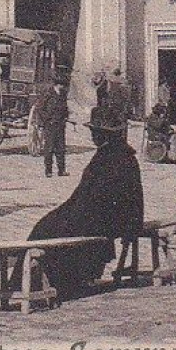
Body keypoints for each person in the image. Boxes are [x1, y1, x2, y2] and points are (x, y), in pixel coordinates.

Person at [26, 111, 144, 295]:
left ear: (104, 134)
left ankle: (59, 281)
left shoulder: (110, 158)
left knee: (49, 230)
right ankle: (65, 278)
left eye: (95, 132)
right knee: (50, 224)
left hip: (107, 220)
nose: (92, 135)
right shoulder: (120, 154)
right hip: (112, 217)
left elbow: (96, 198)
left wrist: (72, 210)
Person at [31, 72, 71, 177]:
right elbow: (39, 108)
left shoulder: (62, 95)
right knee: (49, 148)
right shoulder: (48, 93)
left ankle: (61, 170)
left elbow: (65, 108)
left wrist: (66, 117)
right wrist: (47, 119)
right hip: (50, 124)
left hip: (60, 125)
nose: (63, 87)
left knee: (61, 148)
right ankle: (48, 171)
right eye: (62, 85)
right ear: (58, 84)